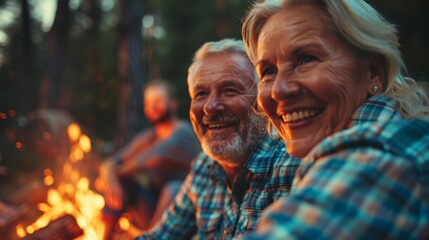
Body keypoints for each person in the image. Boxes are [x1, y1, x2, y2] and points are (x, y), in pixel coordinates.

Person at [240, 0, 429, 239]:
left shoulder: (380, 158)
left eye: (307, 59)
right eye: (268, 72)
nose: (278, 90)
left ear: (373, 72)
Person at [135, 39, 301, 240]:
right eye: (201, 94)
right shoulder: (205, 168)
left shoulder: (292, 166)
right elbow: (161, 236)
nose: (210, 107)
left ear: (263, 99)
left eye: (229, 90)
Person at [99, 80, 201, 239]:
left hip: (187, 215)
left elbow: (150, 159)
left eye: (158, 101)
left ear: (173, 104)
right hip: (154, 211)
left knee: (173, 188)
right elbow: (110, 163)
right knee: (124, 185)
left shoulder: (183, 133)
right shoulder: (149, 137)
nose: (152, 107)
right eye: (148, 103)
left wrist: (112, 174)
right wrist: (111, 178)